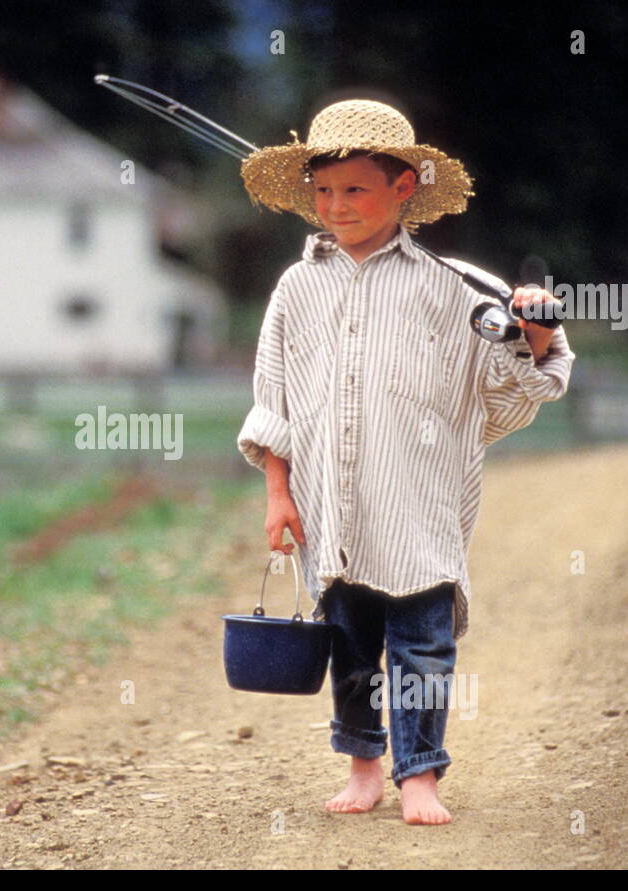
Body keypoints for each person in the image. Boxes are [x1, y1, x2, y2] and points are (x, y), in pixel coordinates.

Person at [235, 99, 575, 824]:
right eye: (324, 191)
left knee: (422, 649)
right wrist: (279, 494)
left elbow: (511, 384)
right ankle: (364, 766)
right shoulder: (297, 290)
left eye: (355, 189)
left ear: (405, 188)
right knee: (351, 645)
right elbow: (275, 402)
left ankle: (419, 773)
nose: (336, 205)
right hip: (336, 505)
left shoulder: (453, 288)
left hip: (419, 505)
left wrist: (536, 333)